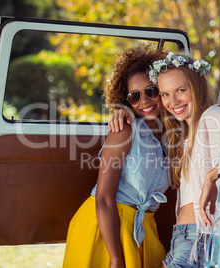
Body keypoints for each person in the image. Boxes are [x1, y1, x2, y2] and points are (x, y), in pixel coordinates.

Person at [110, 51, 220, 267]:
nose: (172, 101)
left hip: (199, 237)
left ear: (198, 86)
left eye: (181, 91)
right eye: (165, 94)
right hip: (184, 237)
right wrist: (125, 111)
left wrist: (213, 176)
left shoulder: (214, 116)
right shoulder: (182, 133)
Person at [63, 45, 170, 268]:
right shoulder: (125, 130)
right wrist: (116, 258)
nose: (144, 101)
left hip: (143, 229)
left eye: (151, 91)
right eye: (134, 96)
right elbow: (103, 199)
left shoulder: (172, 136)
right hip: (105, 231)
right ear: (126, 99)